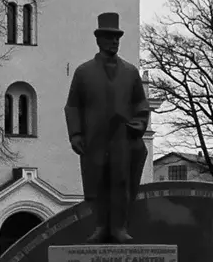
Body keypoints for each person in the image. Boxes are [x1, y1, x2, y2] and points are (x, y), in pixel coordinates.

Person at [63, 12, 151, 243]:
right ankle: (101, 226)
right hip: (95, 138)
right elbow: (72, 106)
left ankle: (120, 227)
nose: (114, 42)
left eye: (117, 38)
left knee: (121, 183)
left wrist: (139, 124)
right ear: (99, 39)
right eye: (110, 37)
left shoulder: (130, 72)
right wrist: (76, 134)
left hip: (122, 137)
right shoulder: (84, 72)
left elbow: (141, 104)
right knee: (98, 183)